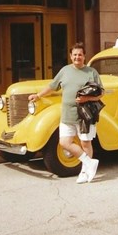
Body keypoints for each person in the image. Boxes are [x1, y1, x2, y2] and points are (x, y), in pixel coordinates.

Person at [28, 42, 104, 184]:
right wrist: (38, 96)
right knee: (64, 142)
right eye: (74, 54)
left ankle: (84, 172)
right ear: (70, 56)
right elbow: (52, 86)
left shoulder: (91, 72)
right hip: (67, 114)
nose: (77, 57)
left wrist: (86, 98)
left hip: (85, 115)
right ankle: (89, 163)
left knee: (85, 143)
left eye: (80, 54)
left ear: (84, 56)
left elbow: (101, 93)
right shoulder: (65, 71)